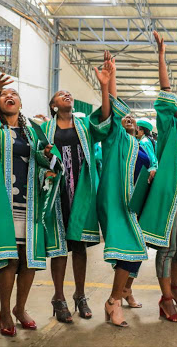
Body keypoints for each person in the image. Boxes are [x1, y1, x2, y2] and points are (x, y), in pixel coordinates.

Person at [0, 70, 54, 336]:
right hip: (5, 203)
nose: (8, 96)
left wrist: (48, 159)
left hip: (31, 202)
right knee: (9, 260)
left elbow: (50, 156)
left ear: (21, 103)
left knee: (28, 260)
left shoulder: (34, 131)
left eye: (13, 94)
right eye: (4, 95)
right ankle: (4, 310)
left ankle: (19, 308)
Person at [43, 52, 113, 323]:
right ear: (53, 105)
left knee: (80, 247)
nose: (67, 95)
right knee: (59, 248)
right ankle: (58, 297)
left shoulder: (84, 125)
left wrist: (105, 86)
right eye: (61, 94)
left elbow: (105, 120)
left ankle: (80, 295)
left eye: (69, 94)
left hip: (81, 193)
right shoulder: (46, 129)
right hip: (56, 193)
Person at [139, 31, 177, 323]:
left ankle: (175, 290)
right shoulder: (169, 129)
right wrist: (161, 57)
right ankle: (165, 301)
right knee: (166, 247)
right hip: (170, 192)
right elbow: (165, 94)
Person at [95, 53, 153, 327]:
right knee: (130, 248)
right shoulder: (113, 137)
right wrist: (109, 82)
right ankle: (114, 300)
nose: (128, 118)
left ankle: (121, 294)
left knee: (135, 251)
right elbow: (112, 110)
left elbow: (149, 169)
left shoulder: (141, 147)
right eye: (124, 116)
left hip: (134, 203)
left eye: (132, 117)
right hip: (114, 200)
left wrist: (152, 174)